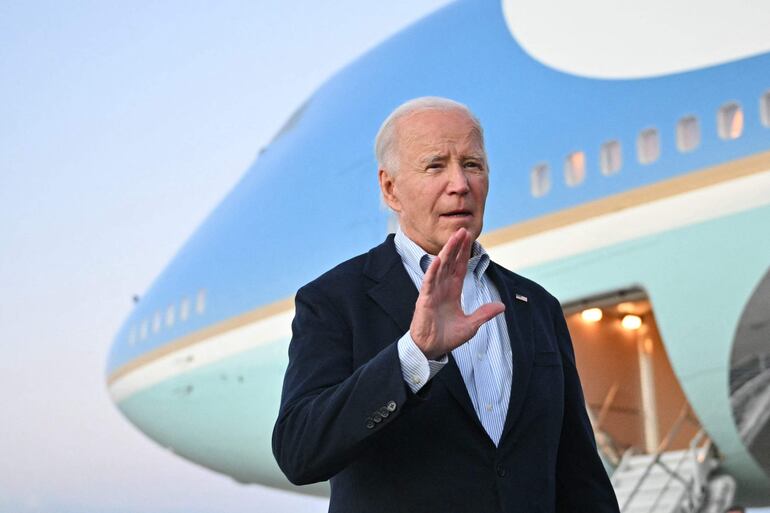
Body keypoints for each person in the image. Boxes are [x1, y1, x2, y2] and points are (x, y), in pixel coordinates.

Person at [272, 97, 620, 513]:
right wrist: (413, 357)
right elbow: (299, 451)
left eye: (472, 164)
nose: (460, 183)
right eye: (435, 165)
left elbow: (580, 477)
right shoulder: (334, 300)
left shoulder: (536, 306)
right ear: (390, 188)